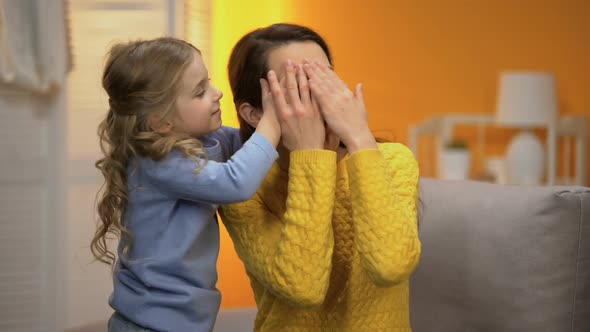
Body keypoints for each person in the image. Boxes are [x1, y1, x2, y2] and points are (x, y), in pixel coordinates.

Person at [220, 23, 421, 331]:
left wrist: (359, 137)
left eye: (324, 78)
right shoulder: (244, 187)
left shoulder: (393, 160)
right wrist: (311, 157)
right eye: (298, 85)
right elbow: (303, 287)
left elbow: (391, 266)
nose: (319, 96)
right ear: (254, 114)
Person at [90, 37, 284, 331]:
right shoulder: (158, 160)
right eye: (200, 92)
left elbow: (249, 147)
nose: (217, 93)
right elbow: (236, 182)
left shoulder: (208, 140)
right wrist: (270, 121)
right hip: (151, 323)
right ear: (161, 122)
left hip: (184, 318)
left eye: (209, 82)